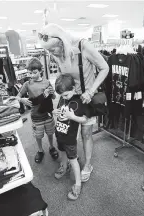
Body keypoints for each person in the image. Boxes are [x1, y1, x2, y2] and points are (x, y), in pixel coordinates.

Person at [38, 23, 109, 182]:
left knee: (85, 133)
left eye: (53, 49)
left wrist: (90, 91)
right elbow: (64, 76)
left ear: (62, 41)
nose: (51, 53)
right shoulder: (55, 54)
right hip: (68, 98)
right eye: (48, 50)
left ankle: (88, 164)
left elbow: (105, 68)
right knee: (64, 132)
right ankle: (66, 162)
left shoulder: (83, 46)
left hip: (86, 98)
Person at [53, 74, 89, 200]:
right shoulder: (63, 98)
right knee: (62, 152)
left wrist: (73, 117)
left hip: (70, 138)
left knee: (73, 159)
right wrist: (55, 112)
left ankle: (78, 183)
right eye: (61, 96)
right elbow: (59, 110)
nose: (63, 98)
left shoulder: (79, 101)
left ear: (73, 88)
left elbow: (84, 119)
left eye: (66, 95)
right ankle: (64, 166)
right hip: (59, 133)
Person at [16, 57, 59, 163]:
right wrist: (22, 99)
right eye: (29, 73)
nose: (31, 75)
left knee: (50, 132)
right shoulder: (27, 84)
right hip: (36, 116)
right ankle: (40, 150)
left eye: (34, 72)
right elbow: (17, 96)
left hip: (48, 114)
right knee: (38, 135)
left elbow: (53, 98)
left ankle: (51, 147)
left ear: (40, 71)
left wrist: (52, 92)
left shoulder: (47, 82)